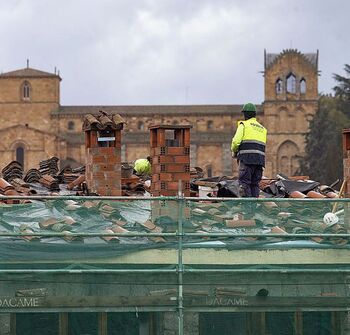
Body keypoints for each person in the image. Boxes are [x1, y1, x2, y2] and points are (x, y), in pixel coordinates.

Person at [231, 103, 267, 198]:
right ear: (254, 114)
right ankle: (254, 209)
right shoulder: (262, 129)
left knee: (244, 184)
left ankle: (248, 210)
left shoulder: (244, 125)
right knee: (255, 184)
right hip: (259, 162)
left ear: (245, 114)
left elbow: (235, 142)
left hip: (247, 160)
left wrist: (234, 151)